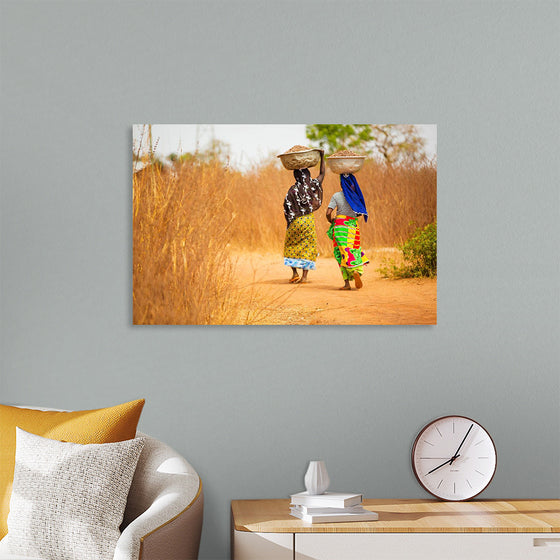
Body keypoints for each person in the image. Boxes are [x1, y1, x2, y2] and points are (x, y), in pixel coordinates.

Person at [283, 150, 325, 283]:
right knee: (307, 246)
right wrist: (322, 156)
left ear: (295, 176)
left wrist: (289, 222)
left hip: (295, 221)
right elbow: (322, 173)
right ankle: (304, 277)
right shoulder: (312, 185)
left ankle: (294, 272)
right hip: (307, 221)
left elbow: (286, 206)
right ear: (308, 174)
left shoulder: (292, 190)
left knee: (291, 245)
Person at [326, 172, 369, 290]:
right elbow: (360, 212)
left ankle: (346, 284)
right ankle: (357, 271)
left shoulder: (336, 196)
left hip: (340, 227)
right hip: (353, 227)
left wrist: (332, 221)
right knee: (353, 250)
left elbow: (328, 213)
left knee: (340, 253)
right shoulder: (356, 196)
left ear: (341, 183)